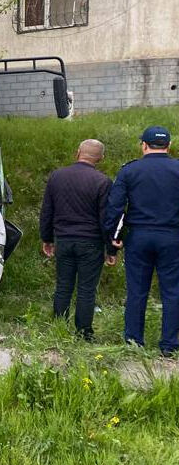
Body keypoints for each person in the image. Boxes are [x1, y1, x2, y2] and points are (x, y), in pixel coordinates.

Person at [103, 126, 179, 356]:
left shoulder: (129, 171)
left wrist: (112, 241)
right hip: (172, 237)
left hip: (139, 237)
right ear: (169, 145)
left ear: (143, 145)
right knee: (173, 291)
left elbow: (115, 209)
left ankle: (134, 341)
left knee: (137, 290)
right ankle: (169, 345)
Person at [40, 139, 117, 340]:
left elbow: (47, 210)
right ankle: (84, 333)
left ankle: (59, 329)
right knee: (86, 289)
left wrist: (47, 238)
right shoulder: (103, 181)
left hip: (64, 241)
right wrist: (111, 249)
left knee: (63, 286)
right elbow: (105, 220)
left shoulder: (57, 176)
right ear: (101, 158)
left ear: (77, 153)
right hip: (91, 243)